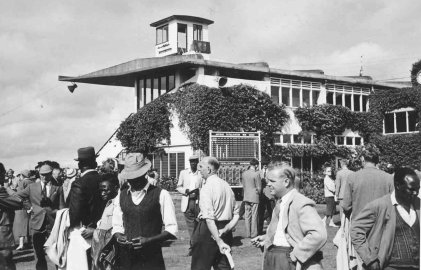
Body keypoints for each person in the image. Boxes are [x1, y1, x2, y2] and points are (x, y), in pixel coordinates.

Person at [251, 164, 327, 270]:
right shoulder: (280, 202)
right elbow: (288, 229)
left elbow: (318, 234)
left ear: (286, 182)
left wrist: (296, 254)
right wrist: (266, 237)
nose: (268, 184)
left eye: (272, 181)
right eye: (268, 181)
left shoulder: (301, 203)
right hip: (273, 257)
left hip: (288, 259)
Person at [112, 153, 178, 269]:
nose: (133, 181)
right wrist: (119, 236)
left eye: (136, 177)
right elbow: (116, 225)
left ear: (144, 174)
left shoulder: (161, 194)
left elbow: (172, 229)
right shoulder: (121, 196)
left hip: (151, 259)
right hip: (127, 260)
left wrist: (149, 240)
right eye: (130, 177)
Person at [350, 167, 420, 270]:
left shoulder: (418, 204)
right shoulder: (380, 206)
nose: (416, 193)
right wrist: (370, 260)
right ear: (398, 185)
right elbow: (356, 230)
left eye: (418, 189)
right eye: (411, 189)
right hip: (390, 266)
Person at [191, 156, 240, 270]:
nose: (199, 170)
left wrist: (218, 240)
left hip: (208, 231)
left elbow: (209, 218)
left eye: (201, 167)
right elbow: (237, 214)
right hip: (225, 230)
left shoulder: (207, 188)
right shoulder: (227, 186)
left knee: (200, 266)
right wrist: (226, 229)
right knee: (223, 266)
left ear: (208, 169)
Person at [12, 164, 62, 270]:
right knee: (38, 253)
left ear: (51, 174)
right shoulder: (32, 187)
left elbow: (61, 206)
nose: (44, 177)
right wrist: (28, 206)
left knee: (54, 251)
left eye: (47, 174)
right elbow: (18, 195)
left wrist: (56, 213)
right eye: (42, 175)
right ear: (39, 174)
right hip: (36, 223)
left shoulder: (57, 187)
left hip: (52, 223)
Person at [342, 143, 394, 221]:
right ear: (377, 160)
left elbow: (346, 205)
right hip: (381, 223)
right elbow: (394, 204)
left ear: (362, 159)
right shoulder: (389, 178)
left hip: (359, 223)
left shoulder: (352, 177)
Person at [91, 173, 119, 270]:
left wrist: (94, 231)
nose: (102, 193)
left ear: (116, 188)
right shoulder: (109, 202)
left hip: (110, 252)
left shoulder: (119, 204)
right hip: (102, 250)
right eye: (101, 190)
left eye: (105, 190)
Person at [176, 155, 202, 255]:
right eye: (191, 162)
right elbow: (178, 186)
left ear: (197, 162)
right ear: (189, 162)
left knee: (199, 225)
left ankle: (198, 246)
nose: (193, 163)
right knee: (191, 226)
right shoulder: (184, 173)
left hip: (198, 202)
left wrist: (199, 191)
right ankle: (193, 248)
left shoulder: (200, 174)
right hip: (187, 201)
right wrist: (185, 191)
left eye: (195, 161)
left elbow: (204, 186)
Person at [0, 162, 22, 270]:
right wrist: (7, 188)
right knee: (7, 261)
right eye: (3, 174)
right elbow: (19, 201)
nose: (5, 176)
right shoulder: (2, 192)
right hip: (2, 232)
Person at [13, 169, 33, 250]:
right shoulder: (32, 182)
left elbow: (19, 194)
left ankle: (21, 244)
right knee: (29, 225)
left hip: (23, 205)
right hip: (31, 205)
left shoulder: (22, 182)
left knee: (21, 225)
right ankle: (29, 242)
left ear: (22, 175)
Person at [242, 158, 262, 238]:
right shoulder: (256, 174)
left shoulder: (244, 173)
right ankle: (254, 233)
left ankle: (248, 233)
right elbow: (259, 187)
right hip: (254, 196)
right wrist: (259, 193)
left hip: (246, 196)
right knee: (254, 215)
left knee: (247, 215)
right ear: (256, 165)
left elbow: (243, 186)